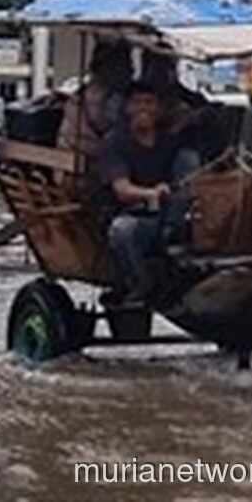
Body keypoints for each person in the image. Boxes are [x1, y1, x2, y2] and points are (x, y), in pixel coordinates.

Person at [102, 81, 202, 307]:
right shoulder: (115, 142)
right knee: (121, 231)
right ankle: (139, 284)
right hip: (137, 217)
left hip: (174, 218)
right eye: (137, 103)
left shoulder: (172, 141)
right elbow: (122, 189)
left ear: (159, 109)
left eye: (149, 103)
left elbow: (189, 177)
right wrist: (150, 193)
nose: (143, 109)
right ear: (127, 108)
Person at [56, 40, 132, 182]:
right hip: (85, 171)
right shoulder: (107, 98)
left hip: (67, 167)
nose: (131, 71)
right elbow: (118, 135)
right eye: (126, 65)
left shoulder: (82, 92)